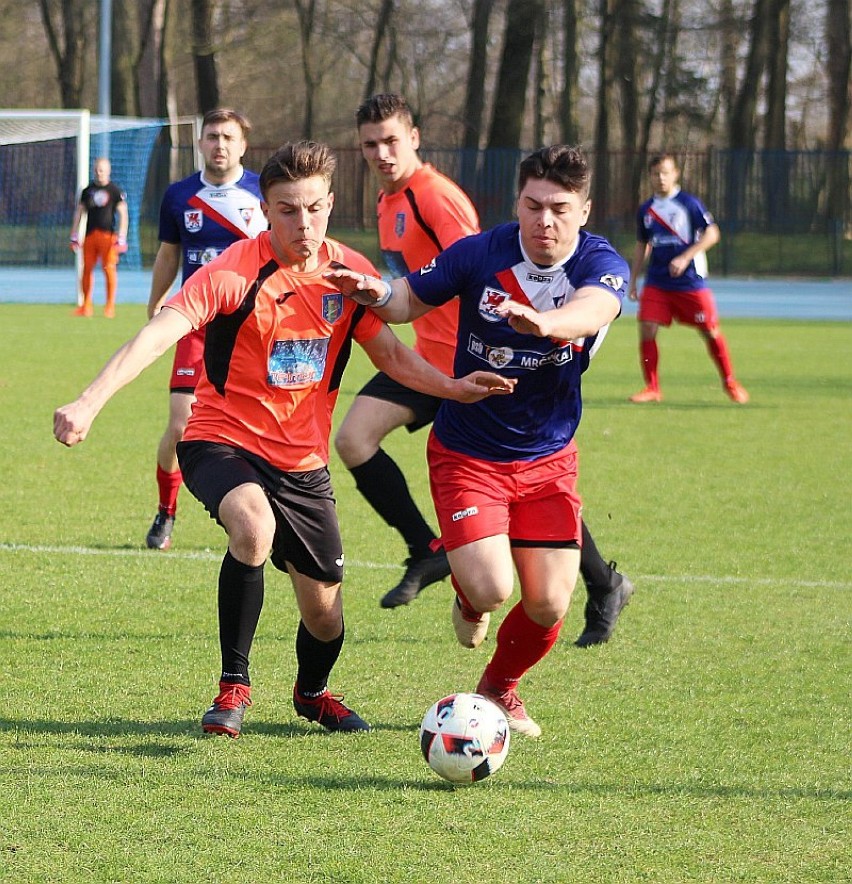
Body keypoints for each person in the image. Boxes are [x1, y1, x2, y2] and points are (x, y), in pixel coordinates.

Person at [54, 140, 513, 740]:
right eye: (288, 210)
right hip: (221, 440)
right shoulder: (234, 272)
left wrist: (453, 388)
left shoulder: (349, 276)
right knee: (252, 526)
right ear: (265, 209)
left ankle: (312, 693)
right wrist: (89, 401)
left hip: (302, 462)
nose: (305, 224)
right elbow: (157, 334)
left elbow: (393, 356)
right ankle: (233, 687)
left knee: (325, 616)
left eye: (316, 208)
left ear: (330, 204)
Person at [327, 145, 629, 737]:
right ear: (517, 202)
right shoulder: (481, 252)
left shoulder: (600, 263)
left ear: (584, 211)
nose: (544, 221)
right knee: (492, 589)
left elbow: (598, 307)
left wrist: (548, 323)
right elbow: (408, 300)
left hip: (548, 458)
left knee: (548, 605)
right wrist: (372, 291)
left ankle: (499, 689)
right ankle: (469, 594)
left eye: (560, 210)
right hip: (469, 453)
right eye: (533, 205)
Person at [145, 108, 268, 551]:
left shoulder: (263, 193)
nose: (220, 144)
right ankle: (166, 511)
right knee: (180, 426)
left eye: (228, 137)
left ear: (243, 145)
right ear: (200, 142)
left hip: (251, 326)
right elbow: (168, 254)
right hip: (196, 323)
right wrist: (156, 299)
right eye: (212, 136)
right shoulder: (179, 195)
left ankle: (258, 513)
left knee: (259, 426)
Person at [628, 153, 749, 404]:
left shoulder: (689, 203)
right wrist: (633, 279)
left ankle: (729, 381)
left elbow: (712, 234)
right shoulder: (646, 209)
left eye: (665, 172)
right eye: (655, 173)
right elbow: (642, 244)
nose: (660, 178)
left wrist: (685, 257)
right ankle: (652, 387)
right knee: (647, 328)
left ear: (675, 174)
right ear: (650, 177)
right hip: (657, 281)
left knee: (710, 331)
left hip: (690, 281)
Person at [69, 157, 129, 318]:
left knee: (109, 269)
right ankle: (85, 306)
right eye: (96, 169)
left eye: (102, 169)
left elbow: (123, 214)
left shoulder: (115, 191)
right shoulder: (87, 190)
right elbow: (79, 212)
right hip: (90, 236)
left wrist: (122, 236)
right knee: (86, 269)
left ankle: (109, 306)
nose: (99, 172)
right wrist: (74, 234)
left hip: (108, 236)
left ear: (108, 171)